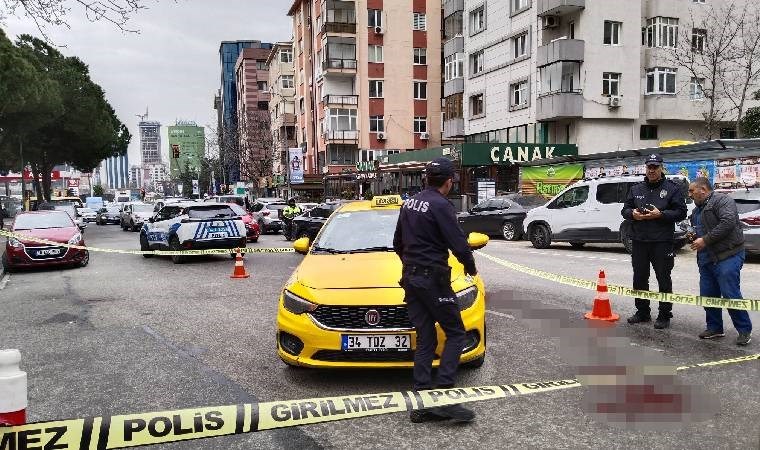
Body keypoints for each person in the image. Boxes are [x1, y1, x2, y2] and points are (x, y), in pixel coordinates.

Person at [393, 157, 477, 424]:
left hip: (411, 279)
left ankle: (421, 404)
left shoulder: (410, 203)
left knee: (426, 337)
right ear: (449, 181)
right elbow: (459, 245)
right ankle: (442, 397)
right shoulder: (442, 205)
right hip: (432, 280)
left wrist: (412, 266)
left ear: (427, 179)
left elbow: (397, 242)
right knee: (455, 333)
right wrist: (471, 267)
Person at [621, 154, 688, 329]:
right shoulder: (636, 189)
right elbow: (625, 210)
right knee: (639, 278)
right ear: (646, 168)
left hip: (662, 242)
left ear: (661, 168)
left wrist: (662, 214)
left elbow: (681, 212)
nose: (652, 170)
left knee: (663, 279)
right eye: (649, 167)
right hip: (640, 241)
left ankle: (664, 315)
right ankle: (642, 312)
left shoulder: (672, 189)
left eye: (655, 167)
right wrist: (632, 214)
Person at [688, 178, 752, 346]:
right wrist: (694, 237)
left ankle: (744, 330)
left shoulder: (723, 200)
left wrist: (705, 240)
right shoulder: (696, 211)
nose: (689, 194)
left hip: (728, 255)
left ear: (703, 189)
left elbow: (728, 222)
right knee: (708, 295)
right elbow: (700, 233)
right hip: (706, 259)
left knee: (730, 293)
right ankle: (715, 328)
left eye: (691, 191)